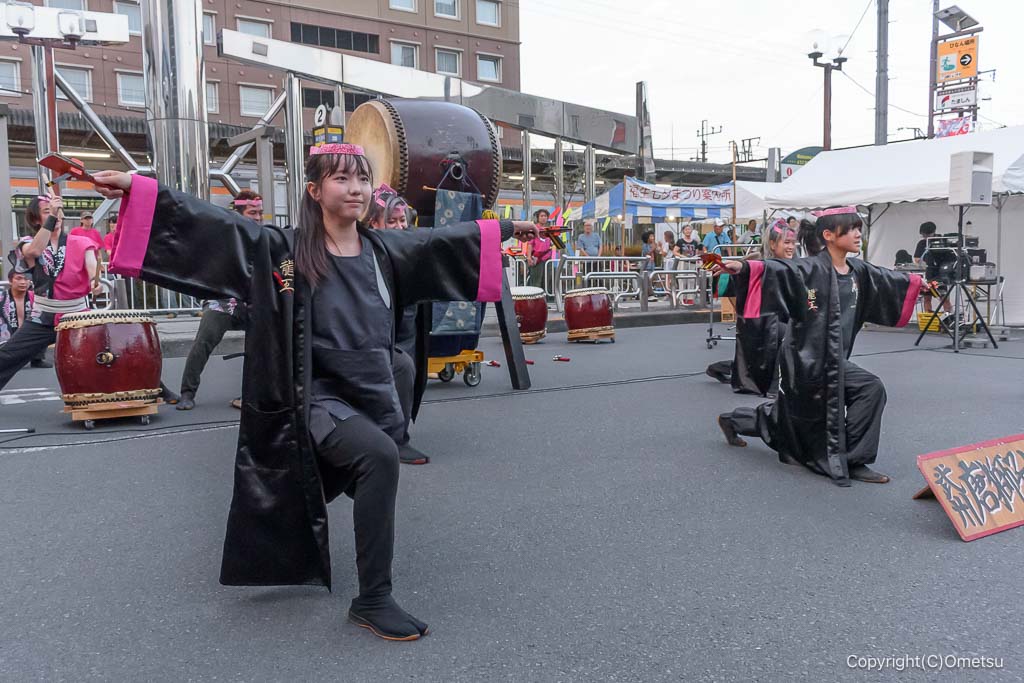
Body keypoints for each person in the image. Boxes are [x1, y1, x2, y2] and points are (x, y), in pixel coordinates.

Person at [88, 144, 537, 641]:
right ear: (314, 190)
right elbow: (213, 226)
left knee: (326, 482)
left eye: (363, 180)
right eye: (342, 180)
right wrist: (140, 190)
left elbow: (443, 242)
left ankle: (294, 536)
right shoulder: (283, 252)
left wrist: (512, 229)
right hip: (313, 394)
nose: (356, 189)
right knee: (379, 459)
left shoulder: (384, 251)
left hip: (369, 391)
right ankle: (373, 598)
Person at [714, 207, 922, 487]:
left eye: (858, 228)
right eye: (850, 229)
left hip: (834, 357)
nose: (858, 234)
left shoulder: (859, 271)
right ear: (829, 235)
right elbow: (776, 270)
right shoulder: (808, 268)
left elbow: (890, 280)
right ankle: (848, 458)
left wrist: (920, 284)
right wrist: (743, 267)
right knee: (800, 415)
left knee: (854, 394)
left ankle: (852, 457)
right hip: (806, 360)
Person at [0, 194, 102, 388]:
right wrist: (52, 216)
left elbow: (92, 268)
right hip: (43, 317)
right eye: (46, 212)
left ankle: (153, 388)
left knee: (112, 351)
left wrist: (95, 284)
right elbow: (34, 252)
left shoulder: (81, 242)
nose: (54, 215)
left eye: (55, 210)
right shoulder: (27, 242)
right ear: (36, 219)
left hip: (77, 315)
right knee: (7, 356)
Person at [176, 191, 262, 412]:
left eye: (260, 213)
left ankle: (255, 392)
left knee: (269, 343)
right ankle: (187, 391)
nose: (258, 217)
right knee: (204, 341)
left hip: (253, 302)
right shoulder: (224, 236)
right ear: (239, 213)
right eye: (253, 212)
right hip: (223, 302)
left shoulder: (264, 237)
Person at [365, 184, 428, 466]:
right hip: (371, 328)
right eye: (392, 221)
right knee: (398, 368)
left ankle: (396, 432)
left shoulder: (411, 245)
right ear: (373, 224)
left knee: (406, 368)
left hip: (405, 321)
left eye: (403, 220)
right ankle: (392, 438)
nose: (400, 226)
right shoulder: (362, 249)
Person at [706, 219, 797, 393]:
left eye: (793, 243)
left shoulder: (794, 263)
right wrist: (737, 267)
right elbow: (747, 266)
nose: (791, 247)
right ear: (772, 243)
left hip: (778, 319)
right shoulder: (758, 259)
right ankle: (774, 387)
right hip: (759, 323)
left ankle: (724, 368)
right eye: (786, 242)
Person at [913, 221, 952, 315]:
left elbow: (949, 257)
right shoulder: (922, 243)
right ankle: (928, 317)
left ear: (933, 232)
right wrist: (922, 262)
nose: (925, 237)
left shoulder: (942, 241)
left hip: (941, 274)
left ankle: (948, 316)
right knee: (927, 297)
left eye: (927, 234)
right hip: (929, 273)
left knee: (943, 297)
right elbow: (917, 258)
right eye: (923, 235)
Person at [1, 268, 34, 345]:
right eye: (18, 278)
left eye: (26, 279)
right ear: (10, 281)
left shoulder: (36, 299)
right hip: (6, 344)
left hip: (31, 343)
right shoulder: (2, 299)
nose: (23, 282)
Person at [525, 209, 553, 290]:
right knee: (536, 281)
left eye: (545, 216)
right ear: (538, 217)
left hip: (547, 259)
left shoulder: (549, 230)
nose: (543, 218)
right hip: (537, 259)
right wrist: (529, 257)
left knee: (546, 280)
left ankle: (543, 299)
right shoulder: (534, 229)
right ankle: (534, 300)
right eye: (541, 216)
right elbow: (530, 244)